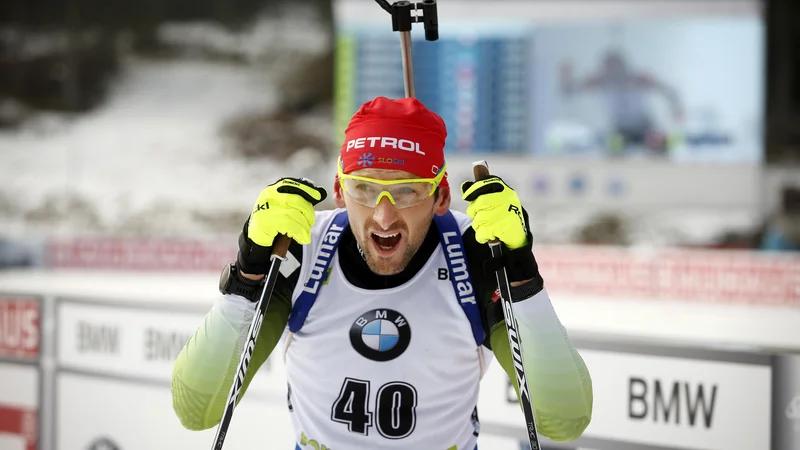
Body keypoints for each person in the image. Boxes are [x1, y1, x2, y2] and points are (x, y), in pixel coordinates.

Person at [171, 96, 593, 449]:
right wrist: (248, 273)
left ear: (441, 195)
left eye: (407, 190)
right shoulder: (303, 246)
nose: (384, 216)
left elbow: (563, 418)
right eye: (365, 189)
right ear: (339, 192)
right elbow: (198, 408)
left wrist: (521, 273)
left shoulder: (472, 251)